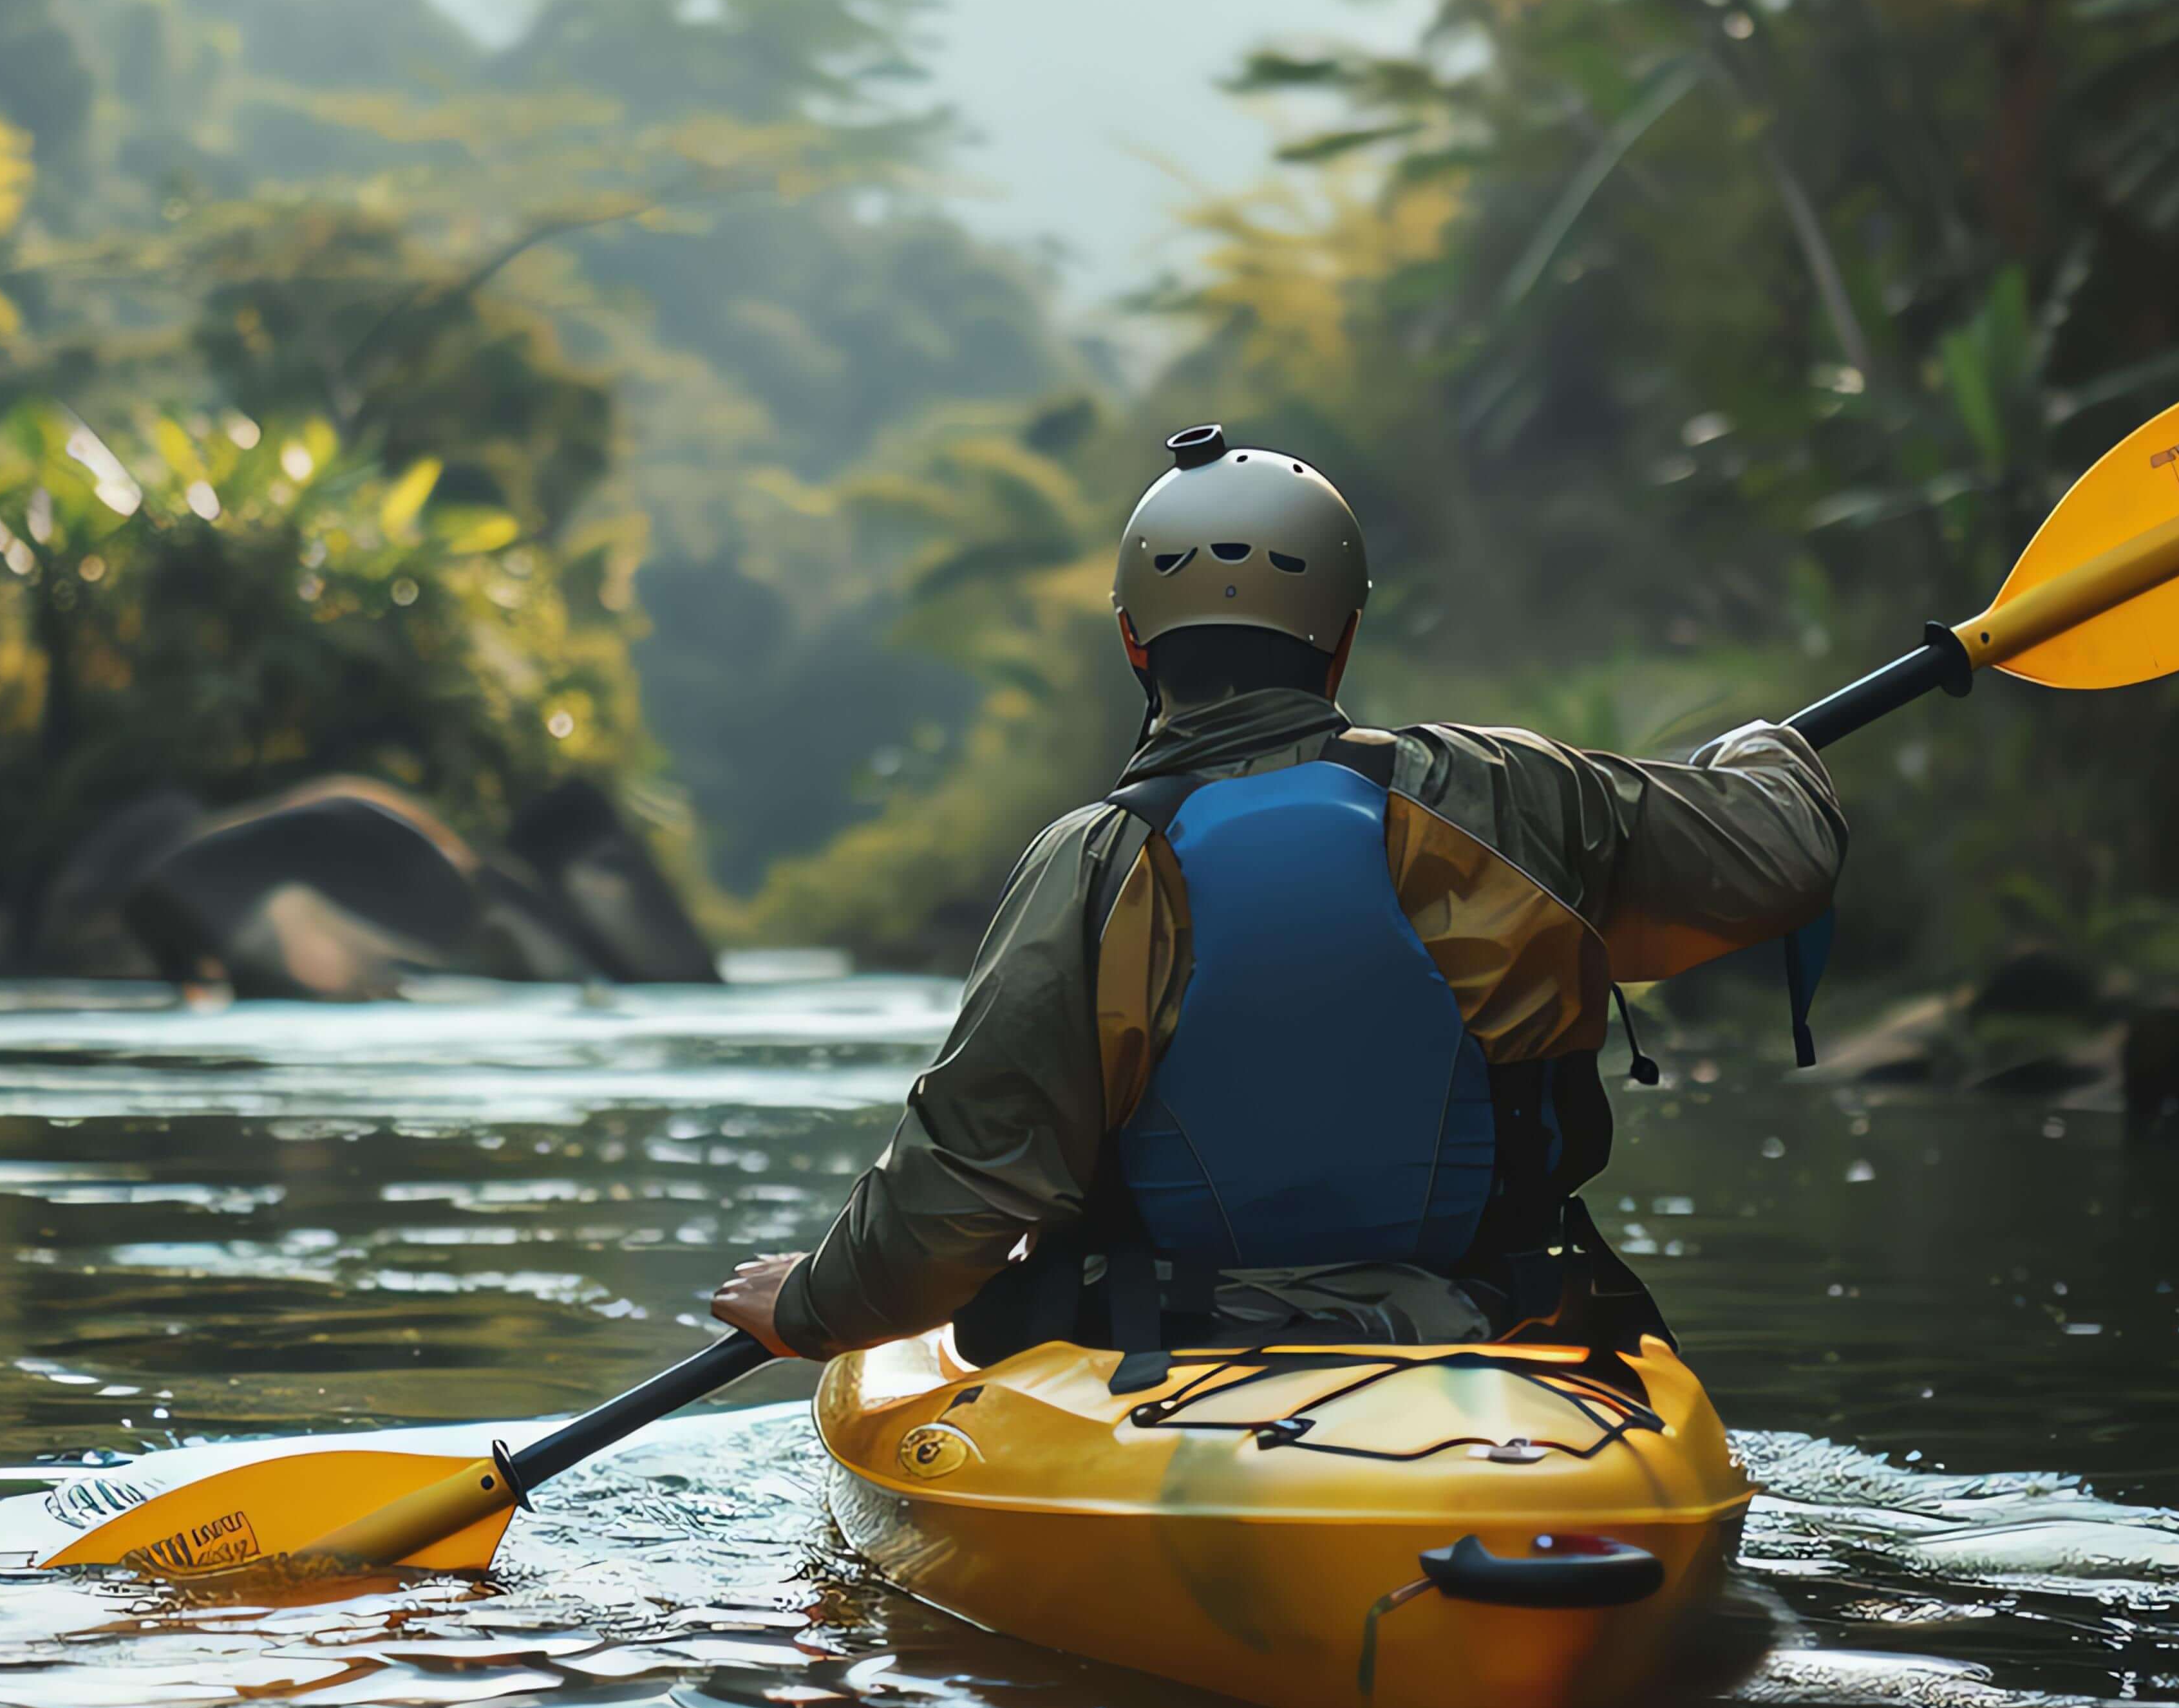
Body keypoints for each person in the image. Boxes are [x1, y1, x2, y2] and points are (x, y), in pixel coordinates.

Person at [708, 424, 1846, 1376]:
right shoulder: (1503, 790)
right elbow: (1785, 852)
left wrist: (817, 1306)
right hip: (1501, 1330)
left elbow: (964, 1177)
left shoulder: (1096, 864)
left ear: (1132, 644)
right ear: (1344, 638)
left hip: (1168, 1346)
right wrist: (1762, 749)